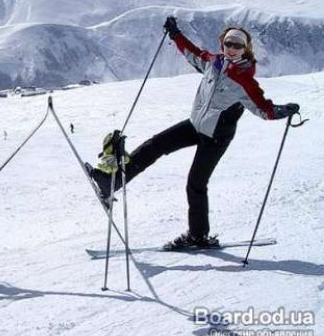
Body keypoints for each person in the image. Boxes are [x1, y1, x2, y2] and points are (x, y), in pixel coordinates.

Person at [90, 17, 300, 250]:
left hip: (216, 137)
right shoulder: (213, 63)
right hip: (195, 125)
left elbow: (263, 109)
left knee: (195, 184)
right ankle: (114, 182)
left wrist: (281, 111)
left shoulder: (244, 80)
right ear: (223, 44)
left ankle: (197, 236)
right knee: (155, 145)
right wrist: (175, 33)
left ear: (245, 49)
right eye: (228, 43)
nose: (232, 49)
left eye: (237, 45)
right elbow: (191, 52)